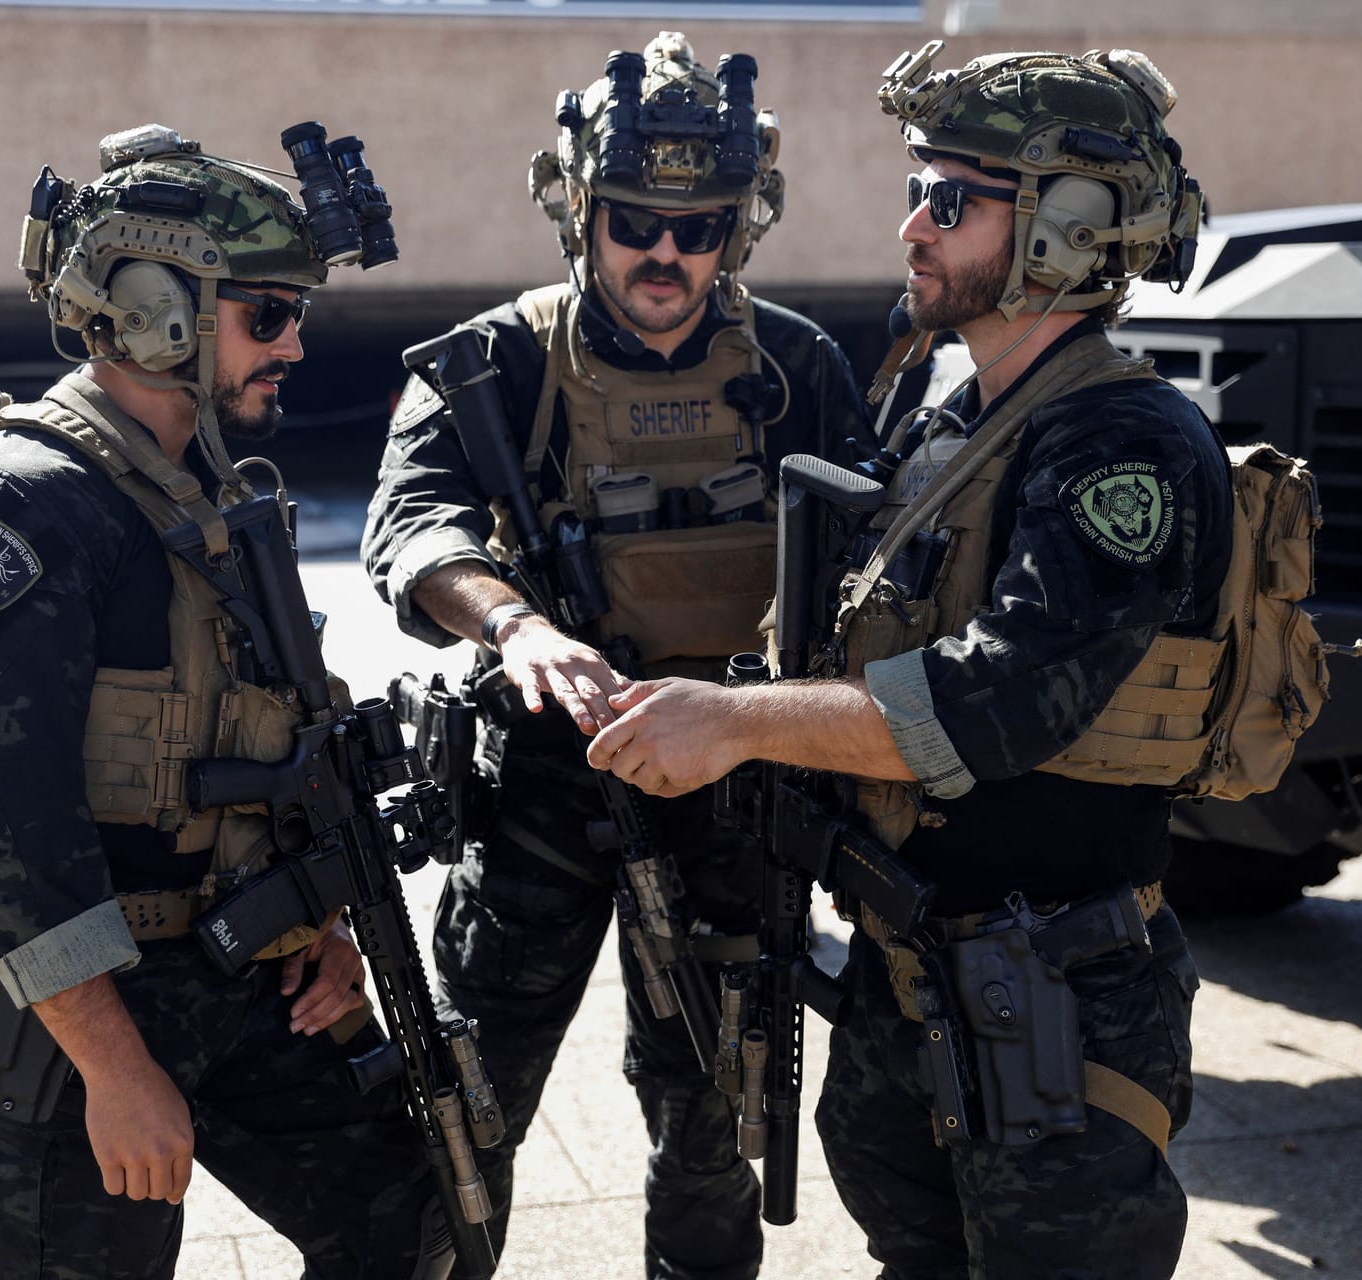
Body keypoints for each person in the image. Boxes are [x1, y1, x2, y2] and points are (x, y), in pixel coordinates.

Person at [588, 43, 1223, 1279]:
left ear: (1065, 229)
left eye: (949, 200)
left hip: (1056, 998)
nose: (910, 228)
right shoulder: (952, 414)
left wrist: (740, 719)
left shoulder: (1122, 441)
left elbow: (1005, 695)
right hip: (917, 967)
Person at [362, 32, 867, 1280]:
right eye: (638, 220)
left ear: (739, 229)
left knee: (707, 1133)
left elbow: (878, 562)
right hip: (540, 791)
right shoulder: (501, 360)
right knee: (466, 1120)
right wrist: (514, 623)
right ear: (580, 211)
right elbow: (407, 526)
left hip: (727, 797)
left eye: (701, 227)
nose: (667, 253)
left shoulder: (801, 366)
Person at [0, 123, 444, 1280]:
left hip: (240, 955)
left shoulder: (213, 486)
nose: (295, 343)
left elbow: (272, 719)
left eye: (295, 311)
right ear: (157, 305)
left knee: (419, 1223)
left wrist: (325, 925)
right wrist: (112, 1065)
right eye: (268, 312)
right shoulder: (23, 501)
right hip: (76, 997)